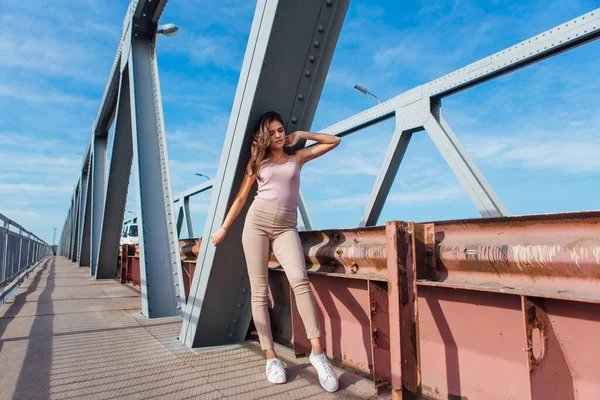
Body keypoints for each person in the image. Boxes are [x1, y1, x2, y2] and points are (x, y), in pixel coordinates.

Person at [210, 111, 341, 392]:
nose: (278, 135)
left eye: (281, 130)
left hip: (286, 228)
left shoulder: (298, 158)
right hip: (256, 224)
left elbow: (334, 141)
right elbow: (243, 197)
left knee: (300, 282)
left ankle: (318, 354)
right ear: (264, 137)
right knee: (259, 290)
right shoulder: (258, 161)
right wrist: (223, 228)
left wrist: (303, 135)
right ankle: (271, 358)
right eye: (272, 132)